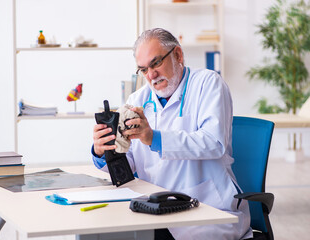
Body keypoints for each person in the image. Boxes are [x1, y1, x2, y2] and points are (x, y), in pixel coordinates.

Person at [91, 28, 252, 240]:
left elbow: (214, 142)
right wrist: (103, 151)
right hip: (154, 210)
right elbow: (127, 165)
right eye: (143, 69)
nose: (151, 75)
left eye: (156, 63)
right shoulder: (137, 99)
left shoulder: (208, 84)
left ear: (178, 55)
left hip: (208, 209)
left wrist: (153, 138)